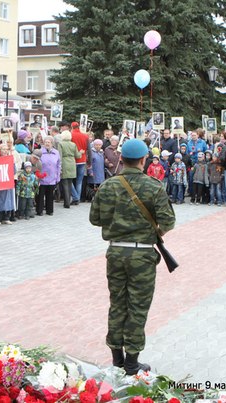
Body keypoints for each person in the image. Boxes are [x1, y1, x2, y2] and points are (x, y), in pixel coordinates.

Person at [89, 138, 175, 375]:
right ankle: (132, 362)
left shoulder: (108, 186)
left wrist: (118, 222)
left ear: (122, 160)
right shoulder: (153, 186)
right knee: (137, 306)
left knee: (117, 303)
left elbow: (95, 219)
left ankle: (116, 359)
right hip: (142, 254)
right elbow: (168, 221)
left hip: (116, 251)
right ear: (143, 160)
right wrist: (153, 232)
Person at [36, 135, 61, 216]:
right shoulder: (40, 151)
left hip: (52, 177)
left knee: (50, 195)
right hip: (42, 177)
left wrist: (58, 176)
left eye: (49, 142)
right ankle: (39, 211)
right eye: (46, 142)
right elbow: (37, 163)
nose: (47, 143)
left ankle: (49, 210)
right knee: (40, 195)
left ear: (52, 143)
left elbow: (58, 165)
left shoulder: (56, 152)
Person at [57, 130, 81, 208]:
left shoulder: (60, 144)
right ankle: (68, 201)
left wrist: (59, 166)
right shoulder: (73, 144)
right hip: (72, 163)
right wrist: (81, 152)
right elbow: (77, 156)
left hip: (64, 163)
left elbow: (59, 156)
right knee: (70, 184)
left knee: (64, 184)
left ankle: (66, 202)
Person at [70, 121, 88, 205]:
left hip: (73, 160)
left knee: (69, 180)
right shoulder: (85, 136)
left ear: (72, 127)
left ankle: (75, 197)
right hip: (83, 159)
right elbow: (87, 148)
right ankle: (77, 198)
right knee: (79, 181)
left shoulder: (71, 135)